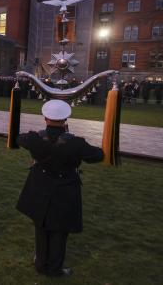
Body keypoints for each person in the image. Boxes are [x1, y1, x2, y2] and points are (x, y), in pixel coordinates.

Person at [16, 99, 104, 277]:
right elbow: (98, 155)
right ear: (65, 121)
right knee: (59, 230)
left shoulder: (35, 139)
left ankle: (41, 264)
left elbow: (19, 139)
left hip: (39, 188)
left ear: (46, 118)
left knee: (41, 227)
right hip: (64, 190)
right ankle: (55, 268)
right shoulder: (76, 143)